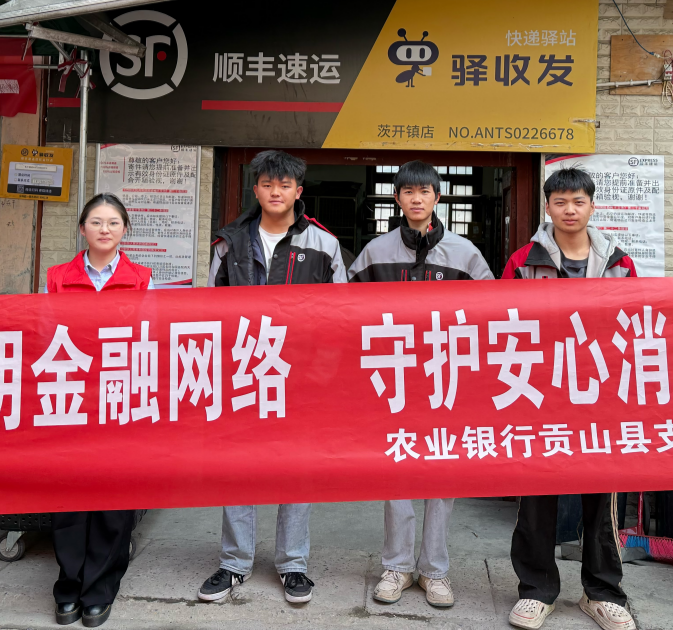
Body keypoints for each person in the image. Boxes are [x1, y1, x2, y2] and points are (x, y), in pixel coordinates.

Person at [199, 150, 346, 606]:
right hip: (243, 372)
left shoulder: (324, 244)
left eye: (284, 185)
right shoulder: (229, 243)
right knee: (239, 468)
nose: (276, 191)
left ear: (298, 192)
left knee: (296, 469)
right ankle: (234, 562)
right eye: (267, 184)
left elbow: (341, 317)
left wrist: (321, 375)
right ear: (256, 189)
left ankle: (293, 564)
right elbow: (209, 313)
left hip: (300, 379)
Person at [348, 160, 494, 610]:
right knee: (397, 471)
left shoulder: (465, 253)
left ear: (437, 197)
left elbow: (494, 311)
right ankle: (396, 566)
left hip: (447, 377)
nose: (416, 198)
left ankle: (435, 570)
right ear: (397, 198)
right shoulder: (375, 252)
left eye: (424, 192)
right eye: (408, 192)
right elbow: (344, 310)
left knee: (441, 473)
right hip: (393, 378)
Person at [501, 167, 637, 630]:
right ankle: (536, 591)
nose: (570, 210)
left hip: (602, 393)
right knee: (538, 495)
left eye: (579, 201)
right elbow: (502, 321)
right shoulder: (524, 260)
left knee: (602, 497)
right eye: (560, 202)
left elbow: (634, 323)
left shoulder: (619, 262)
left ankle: (602, 593)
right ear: (548, 207)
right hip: (540, 391)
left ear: (592, 206)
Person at [44, 193, 153, 627]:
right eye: (95, 222)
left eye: (113, 223)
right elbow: (44, 332)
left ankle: (100, 589)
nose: (104, 229)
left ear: (125, 230)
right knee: (69, 493)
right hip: (70, 395)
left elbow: (152, 338)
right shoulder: (57, 277)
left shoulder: (142, 279)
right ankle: (68, 585)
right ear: (82, 229)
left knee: (113, 496)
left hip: (120, 397)